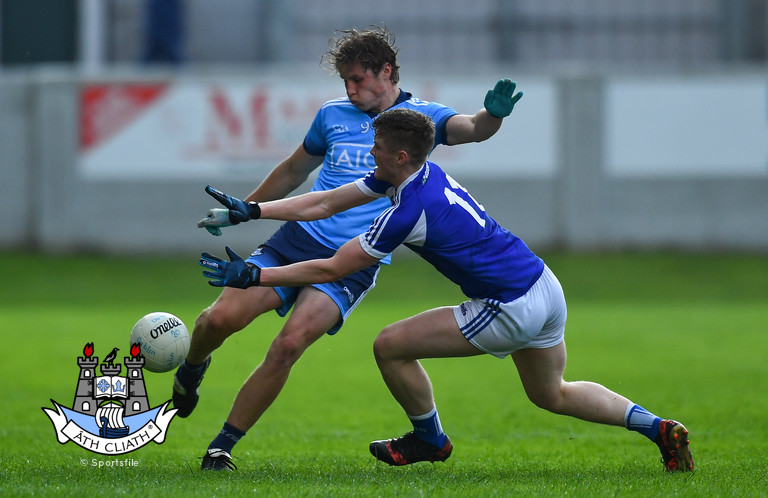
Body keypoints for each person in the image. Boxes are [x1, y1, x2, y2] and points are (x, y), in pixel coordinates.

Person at [198, 108, 694, 473]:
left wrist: (253, 276)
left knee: (389, 346)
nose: (368, 154)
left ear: (398, 155)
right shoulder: (421, 173)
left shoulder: (405, 213)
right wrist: (254, 210)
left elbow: (331, 268)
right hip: (544, 286)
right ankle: (658, 428)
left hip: (508, 305)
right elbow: (326, 201)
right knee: (552, 393)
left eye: (374, 148)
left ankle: (428, 440)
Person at [173, 26, 523, 470]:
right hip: (297, 241)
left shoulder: (420, 120)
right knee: (219, 318)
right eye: (345, 82)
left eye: (358, 79)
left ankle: (222, 446)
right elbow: (293, 170)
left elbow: (472, 128)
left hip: (351, 264)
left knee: (288, 345)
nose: (350, 90)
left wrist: (492, 116)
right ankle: (191, 368)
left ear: (387, 71)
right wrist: (248, 208)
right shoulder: (332, 114)